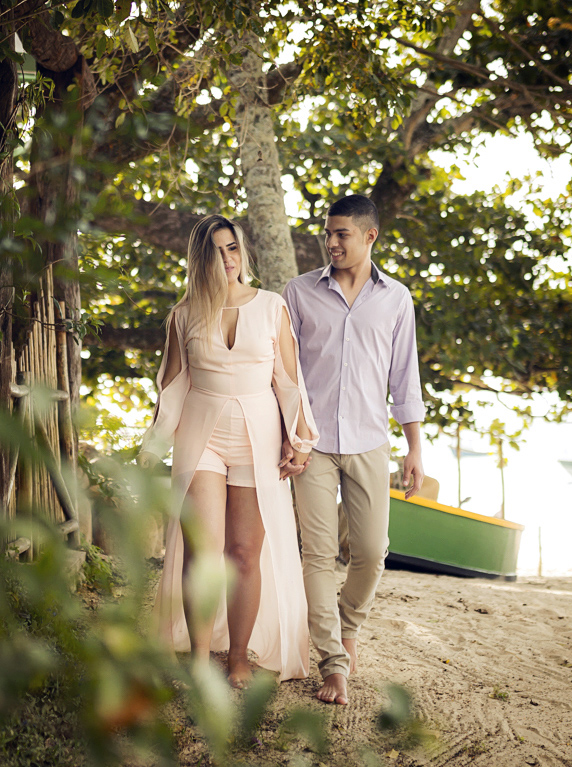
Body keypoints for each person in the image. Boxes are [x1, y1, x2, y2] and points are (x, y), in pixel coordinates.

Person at [139, 214, 319, 687]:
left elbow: (289, 382)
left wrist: (300, 440)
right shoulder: (183, 315)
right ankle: (200, 658)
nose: (227, 259)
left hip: (259, 438)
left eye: (233, 248)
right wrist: (152, 446)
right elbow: (173, 386)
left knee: (243, 553)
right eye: (216, 251)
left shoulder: (272, 306)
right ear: (200, 260)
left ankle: (238, 656)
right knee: (202, 550)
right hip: (201, 437)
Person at [281, 194, 426, 705]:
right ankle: (333, 663)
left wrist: (414, 447)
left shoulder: (397, 299)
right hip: (312, 443)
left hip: (369, 441)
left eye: (341, 234)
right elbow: (285, 372)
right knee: (318, 554)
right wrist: (289, 434)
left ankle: (348, 627)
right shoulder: (298, 292)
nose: (332, 242)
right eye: (328, 233)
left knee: (371, 552)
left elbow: (405, 377)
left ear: (369, 236)